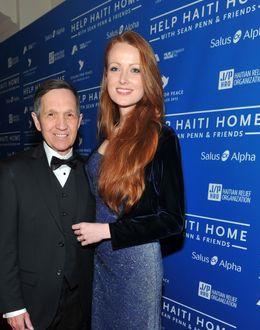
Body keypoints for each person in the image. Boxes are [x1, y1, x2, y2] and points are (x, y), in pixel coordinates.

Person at [72, 31, 185, 329]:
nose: (123, 79)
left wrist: (108, 232)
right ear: (105, 77)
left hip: (135, 266)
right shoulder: (107, 136)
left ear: (147, 77)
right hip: (103, 262)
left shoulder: (160, 137)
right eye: (115, 68)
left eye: (134, 69)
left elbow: (173, 219)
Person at [0, 79, 95, 330]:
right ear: (37, 121)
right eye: (51, 115)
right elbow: (5, 246)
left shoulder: (93, 172)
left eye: (69, 115)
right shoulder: (12, 172)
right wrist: (13, 305)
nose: (62, 124)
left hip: (82, 302)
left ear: (80, 120)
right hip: (32, 303)